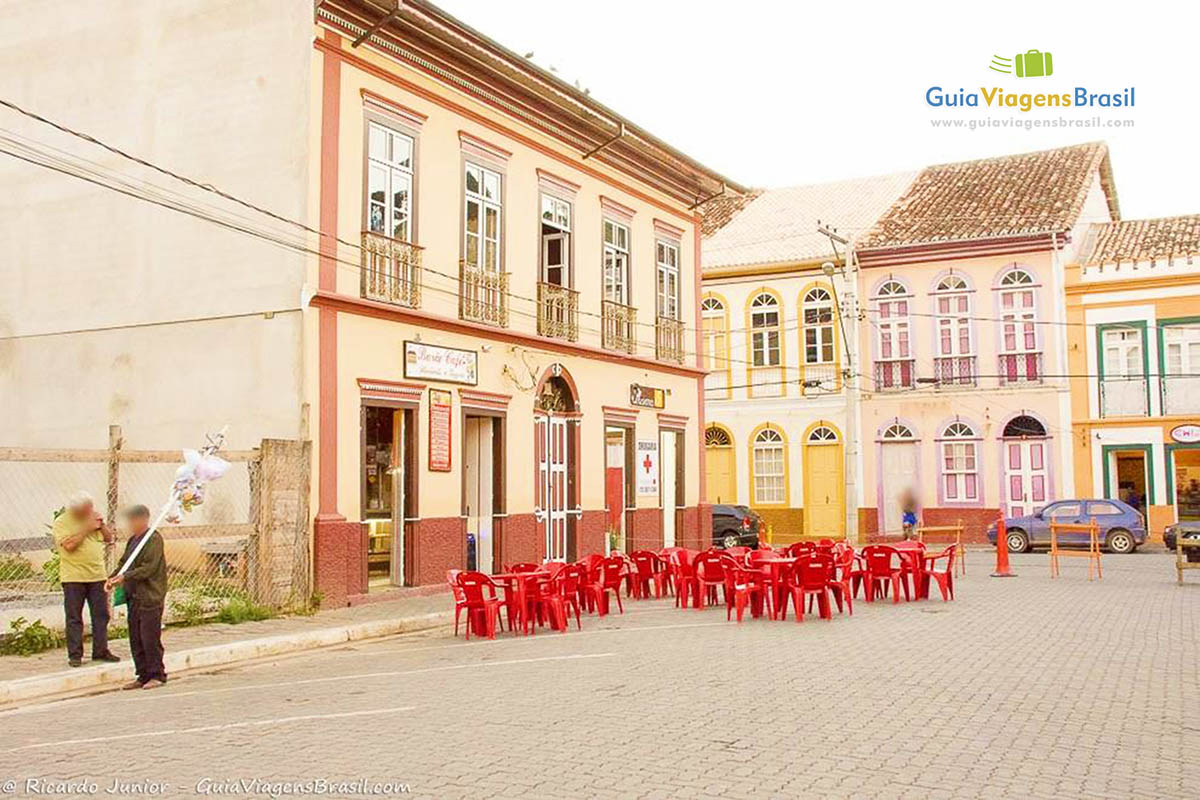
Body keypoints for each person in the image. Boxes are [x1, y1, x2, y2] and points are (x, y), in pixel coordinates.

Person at [52, 490, 120, 668]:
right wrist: (86, 528)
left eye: (91, 508)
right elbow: (69, 546)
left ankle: (101, 650)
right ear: (76, 510)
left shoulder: (92, 518)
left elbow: (109, 538)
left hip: (97, 574)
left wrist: (102, 525)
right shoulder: (62, 522)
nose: (90, 512)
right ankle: (75, 654)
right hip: (74, 576)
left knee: (101, 615)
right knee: (74, 617)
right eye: (86, 510)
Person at [106, 505, 168, 690]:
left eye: (134, 519)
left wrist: (126, 577)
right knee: (136, 638)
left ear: (144, 519)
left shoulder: (154, 539)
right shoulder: (134, 540)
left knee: (150, 637)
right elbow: (125, 563)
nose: (131, 524)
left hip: (150, 595)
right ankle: (142, 674)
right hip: (133, 595)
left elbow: (149, 568)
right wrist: (114, 577)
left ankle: (157, 674)